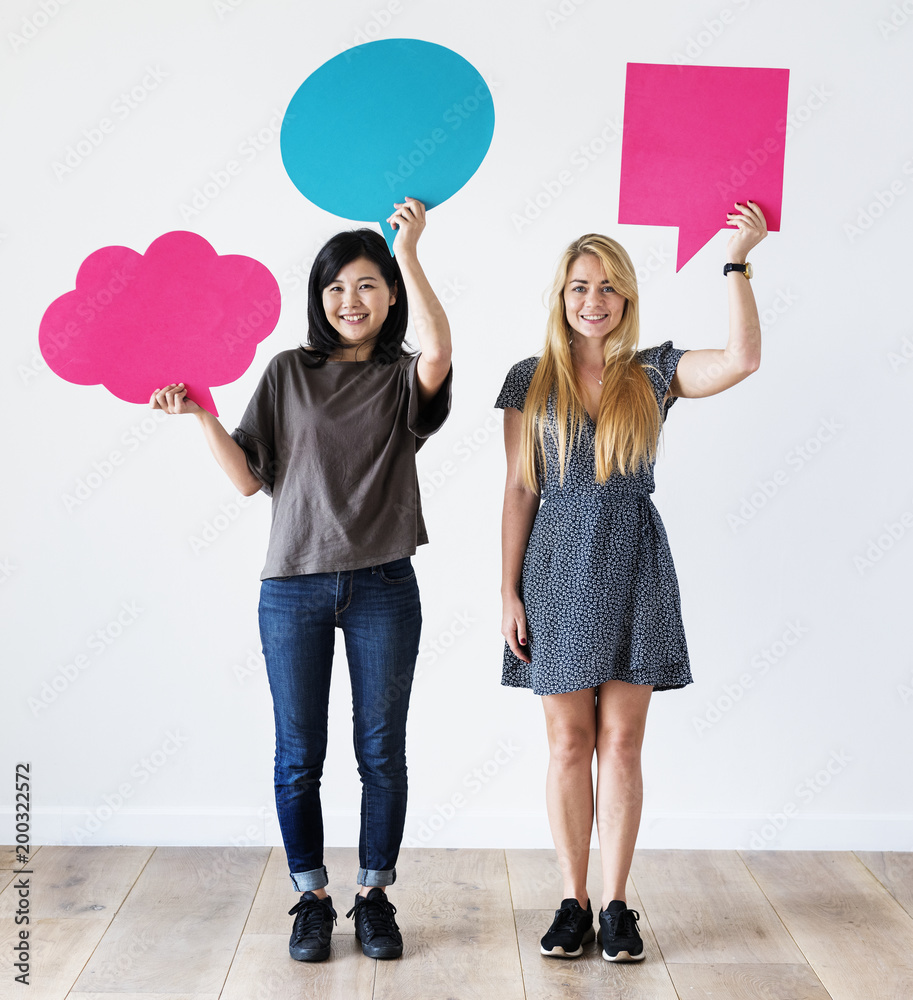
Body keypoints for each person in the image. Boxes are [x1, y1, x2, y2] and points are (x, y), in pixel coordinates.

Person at [151, 197, 452, 962]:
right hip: (293, 588)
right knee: (298, 754)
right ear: (318, 299)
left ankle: (374, 896)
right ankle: (312, 897)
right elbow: (251, 481)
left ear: (389, 295)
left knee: (381, 752)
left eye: (367, 286)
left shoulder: (400, 376)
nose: (350, 302)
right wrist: (200, 416)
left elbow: (441, 354)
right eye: (334, 289)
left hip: (384, 583)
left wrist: (409, 251)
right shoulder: (288, 371)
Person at [496, 202, 767, 963]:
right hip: (554, 563)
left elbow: (741, 360)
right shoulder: (528, 379)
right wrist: (508, 591)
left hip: (634, 559)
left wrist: (737, 261)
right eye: (580, 285)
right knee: (566, 740)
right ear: (561, 296)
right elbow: (520, 490)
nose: (594, 299)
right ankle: (571, 902)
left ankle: (616, 906)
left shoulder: (652, 370)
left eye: (609, 286)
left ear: (626, 298)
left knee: (619, 742)